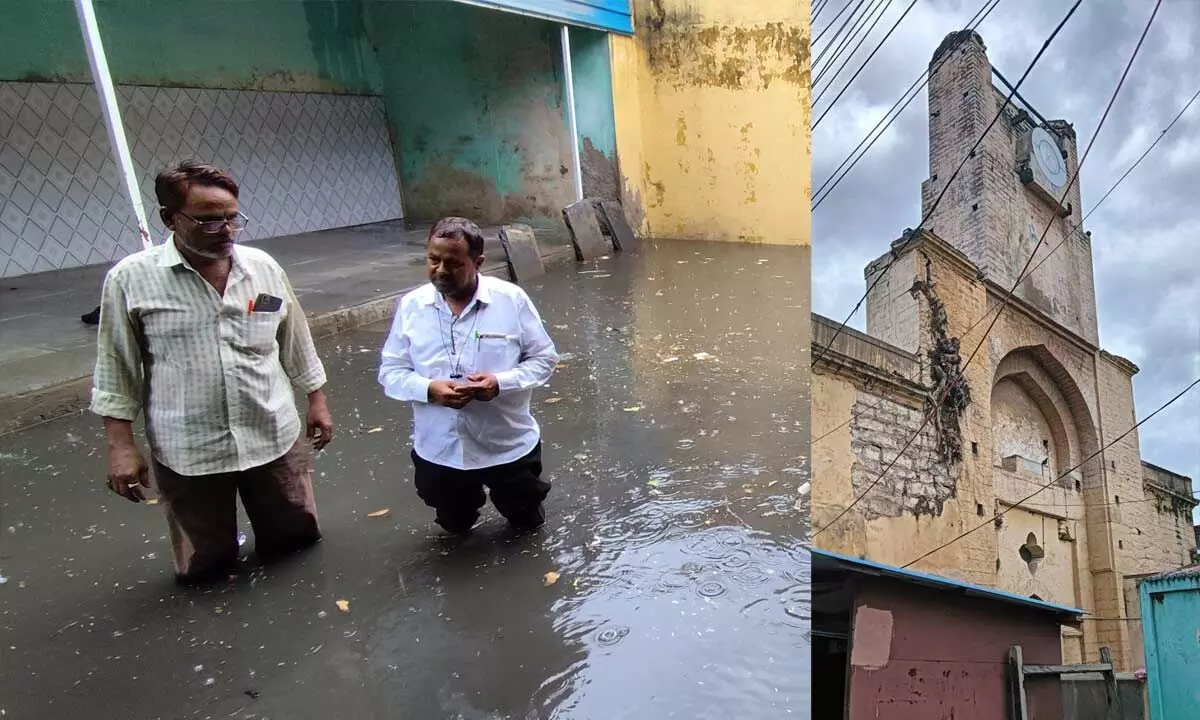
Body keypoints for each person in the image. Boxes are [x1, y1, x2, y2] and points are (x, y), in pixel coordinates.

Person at [90, 160, 333, 584]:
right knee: (207, 563)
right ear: (169, 218)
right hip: (189, 446)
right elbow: (116, 367)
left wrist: (317, 400)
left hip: (270, 432)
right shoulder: (131, 280)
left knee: (294, 538)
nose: (225, 230)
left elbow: (295, 337)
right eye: (207, 220)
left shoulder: (263, 268)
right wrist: (120, 446)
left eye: (232, 218)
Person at [378, 217, 559, 535]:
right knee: (454, 524)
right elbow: (391, 372)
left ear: (478, 263)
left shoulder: (510, 301)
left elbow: (544, 359)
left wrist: (500, 383)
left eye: (453, 263)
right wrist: (429, 389)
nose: (441, 270)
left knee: (526, 519)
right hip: (440, 449)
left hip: (507, 445)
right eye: (433, 260)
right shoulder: (411, 306)